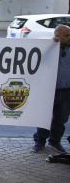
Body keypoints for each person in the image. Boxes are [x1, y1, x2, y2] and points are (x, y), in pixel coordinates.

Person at [32, 25, 70, 153]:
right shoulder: (49, 48)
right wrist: (51, 46)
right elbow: (37, 60)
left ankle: (55, 141)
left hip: (66, 91)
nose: (69, 37)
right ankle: (39, 142)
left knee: (61, 118)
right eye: (67, 35)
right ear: (58, 36)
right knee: (44, 118)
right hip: (49, 90)